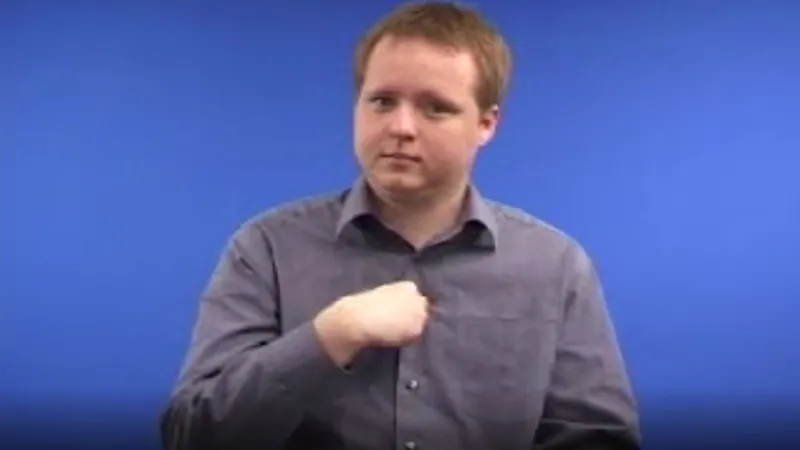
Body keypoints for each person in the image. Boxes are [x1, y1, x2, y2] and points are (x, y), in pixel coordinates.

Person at [159, 2, 641, 449]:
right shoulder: (265, 248)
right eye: (382, 101)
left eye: (435, 107)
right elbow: (192, 434)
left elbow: (598, 438)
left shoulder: (555, 268)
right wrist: (330, 336)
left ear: (486, 124)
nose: (401, 127)